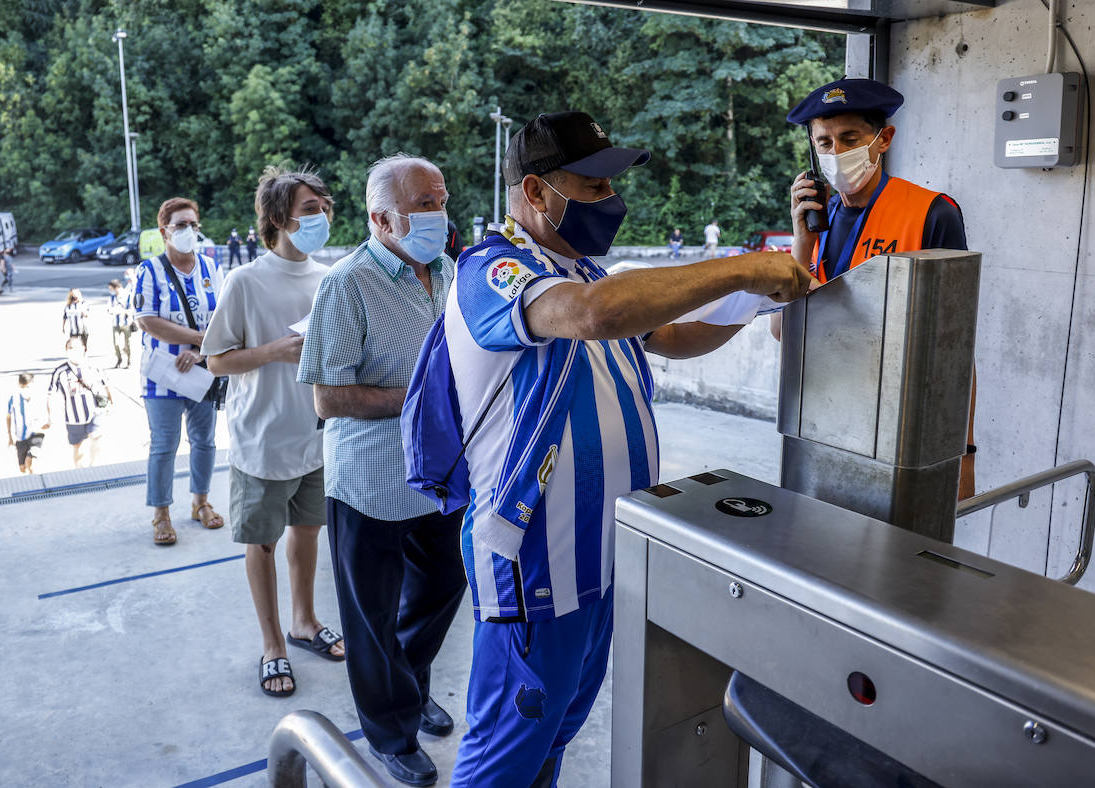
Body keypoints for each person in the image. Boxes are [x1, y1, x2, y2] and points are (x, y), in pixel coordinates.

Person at [401, 111, 810, 787]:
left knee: (552, 736)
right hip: (537, 564)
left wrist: (753, 296)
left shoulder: (584, 270)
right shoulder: (494, 271)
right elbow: (594, 313)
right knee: (502, 756)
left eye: (612, 185)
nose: (610, 199)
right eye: (593, 186)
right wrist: (739, 267)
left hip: (600, 560)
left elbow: (674, 335)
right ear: (536, 192)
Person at [297, 154, 466, 787]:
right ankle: (391, 733)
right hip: (370, 482)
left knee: (444, 585)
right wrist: (423, 397)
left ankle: (408, 687)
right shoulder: (348, 284)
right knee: (370, 618)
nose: (438, 213)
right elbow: (328, 398)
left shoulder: (450, 271)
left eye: (440, 200)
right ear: (380, 219)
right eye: (423, 204)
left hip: (439, 475)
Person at [781, 77, 975, 498]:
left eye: (850, 139)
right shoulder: (816, 219)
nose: (836, 152)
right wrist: (801, 243)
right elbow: (783, 330)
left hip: (898, 424)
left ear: (883, 139)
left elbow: (956, 348)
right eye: (824, 142)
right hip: (820, 415)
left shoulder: (931, 213)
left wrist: (963, 453)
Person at [202, 166, 343, 698]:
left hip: (316, 437)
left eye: (324, 208)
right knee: (262, 542)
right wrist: (272, 352)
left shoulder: (329, 278)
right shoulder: (245, 281)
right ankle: (272, 644)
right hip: (261, 441)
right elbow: (216, 360)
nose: (321, 217)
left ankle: (303, 621)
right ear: (279, 218)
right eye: (309, 209)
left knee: (307, 533)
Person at [135, 196, 226, 546]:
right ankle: (161, 513)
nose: (189, 230)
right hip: (163, 376)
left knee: (205, 441)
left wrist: (200, 351)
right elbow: (147, 321)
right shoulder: (149, 270)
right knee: (164, 444)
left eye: (193, 224)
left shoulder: (211, 268)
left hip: (203, 372)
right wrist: (197, 338)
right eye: (181, 225)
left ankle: (201, 502)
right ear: (164, 231)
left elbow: (224, 318)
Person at [48, 336, 112, 468]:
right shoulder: (60, 372)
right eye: (70, 348)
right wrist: (50, 416)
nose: (73, 351)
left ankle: (94, 467)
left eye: (76, 348)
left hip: (95, 411)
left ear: (84, 349)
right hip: (73, 417)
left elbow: (106, 386)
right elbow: (51, 394)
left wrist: (111, 403)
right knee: (78, 447)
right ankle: (81, 471)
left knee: (97, 438)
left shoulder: (93, 367)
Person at [6, 372, 48, 474]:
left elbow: (46, 407)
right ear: (20, 384)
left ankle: (36, 481)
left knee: (30, 464)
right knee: (23, 468)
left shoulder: (36, 395)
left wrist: (47, 421)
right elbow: (8, 415)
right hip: (20, 437)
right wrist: (10, 436)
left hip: (35, 433)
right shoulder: (14, 397)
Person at [107, 280, 135, 369]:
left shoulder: (128, 296)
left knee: (127, 344)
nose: (111, 291)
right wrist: (112, 311)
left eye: (111, 289)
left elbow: (132, 309)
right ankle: (119, 359)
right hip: (115, 323)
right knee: (116, 343)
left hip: (126, 323)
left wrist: (123, 311)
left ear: (116, 288)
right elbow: (108, 309)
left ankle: (129, 360)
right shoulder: (112, 298)